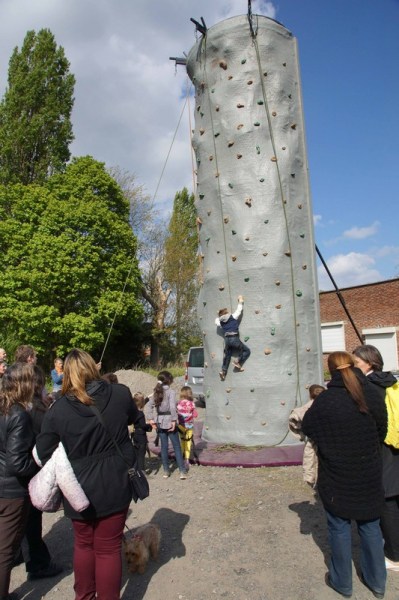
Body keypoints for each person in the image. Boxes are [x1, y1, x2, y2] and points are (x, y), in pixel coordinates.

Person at [35, 348, 142, 600]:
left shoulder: (59, 409)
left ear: (68, 374)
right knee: (106, 548)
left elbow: (41, 452)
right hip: (114, 482)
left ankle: (84, 596)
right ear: (93, 367)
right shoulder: (119, 393)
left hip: (79, 486)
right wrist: (135, 454)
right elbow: (136, 419)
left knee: (86, 545)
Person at [302, 351, 387, 599]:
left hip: (336, 475)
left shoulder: (326, 400)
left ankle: (342, 582)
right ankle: (378, 581)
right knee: (370, 526)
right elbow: (381, 428)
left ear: (330, 371)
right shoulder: (369, 393)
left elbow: (308, 427)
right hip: (368, 472)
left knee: (339, 528)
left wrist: (331, 444)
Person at [353, 344, 399, 572]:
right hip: (396, 441)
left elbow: (373, 420)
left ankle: (393, 555)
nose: (353, 366)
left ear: (369, 363)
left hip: (383, 447)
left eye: (356, 362)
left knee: (387, 499)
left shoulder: (370, 385)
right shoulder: (390, 380)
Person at [0, 363, 38, 600]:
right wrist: (38, 466)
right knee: (6, 550)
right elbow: (16, 462)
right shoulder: (19, 414)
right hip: (11, 490)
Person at [146, 371, 188, 480]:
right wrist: (174, 420)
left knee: (163, 447)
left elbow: (148, 406)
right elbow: (173, 408)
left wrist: (151, 419)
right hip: (169, 421)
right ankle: (182, 471)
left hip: (159, 421)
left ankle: (166, 471)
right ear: (169, 380)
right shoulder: (171, 392)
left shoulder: (156, 392)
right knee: (177, 447)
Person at [289, 384, 325, 488]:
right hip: (327, 440)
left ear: (310, 395)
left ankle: (315, 483)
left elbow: (293, 419)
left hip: (313, 440)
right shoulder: (330, 406)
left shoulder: (304, 409)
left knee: (312, 462)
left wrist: (301, 432)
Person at [215, 294, 250, 381]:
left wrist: (218, 315)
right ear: (227, 313)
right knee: (246, 350)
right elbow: (239, 310)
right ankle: (238, 361)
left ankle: (223, 371)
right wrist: (240, 301)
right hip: (234, 338)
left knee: (227, 355)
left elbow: (216, 321)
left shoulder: (221, 322)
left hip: (227, 340)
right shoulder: (232, 317)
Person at [177, 386, 198, 471]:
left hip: (181, 426)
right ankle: (187, 460)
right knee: (188, 442)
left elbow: (177, 414)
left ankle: (181, 459)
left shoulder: (178, 404)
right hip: (189, 426)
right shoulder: (192, 404)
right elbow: (195, 415)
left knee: (182, 442)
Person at [131, 392, 152, 471]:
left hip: (135, 434)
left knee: (136, 453)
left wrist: (147, 398)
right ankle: (141, 472)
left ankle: (136, 469)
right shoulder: (140, 414)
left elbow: (140, 403)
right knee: (141, 455)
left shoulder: (133, 411)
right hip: (141, 436)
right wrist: (149, 426)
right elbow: (143, 425)